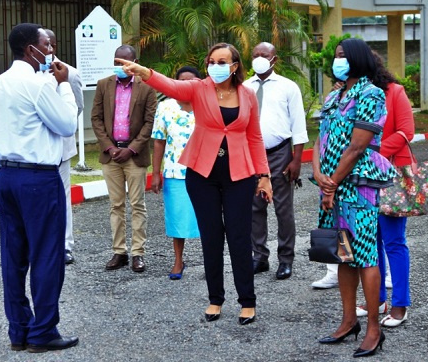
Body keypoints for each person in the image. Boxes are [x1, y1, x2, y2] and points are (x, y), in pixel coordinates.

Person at [116, 42, 273, 326]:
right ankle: (215, 299)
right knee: (211, 237)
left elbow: (255, 137)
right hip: (202, 174)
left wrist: (264, 176)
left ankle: (247, 302)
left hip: (239, 175)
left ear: (235, 65)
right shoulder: (199, 88)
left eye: (222, 61)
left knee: (239, 238)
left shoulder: (248, 95)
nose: (216, 66)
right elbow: (171, 85)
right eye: (211, 61)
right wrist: (143, 71)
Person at [0, 23, 79, 353]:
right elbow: (67, 124)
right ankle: (43, 331)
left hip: (6, 177)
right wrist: (62, 86)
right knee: (46, 255)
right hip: (38, 178)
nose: (50, 51)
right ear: (29, 50)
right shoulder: (38, 84)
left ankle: (18, 330)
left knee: (13, 257)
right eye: (45, 46)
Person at [313, 38, 397, 358]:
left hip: (357, 184)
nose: (339, 60)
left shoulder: (371, 94)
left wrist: (332, 182)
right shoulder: (334, 95)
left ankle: (374, 328)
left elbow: (358, 145)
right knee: (342, 254)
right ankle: (349, 321)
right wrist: (319, 173)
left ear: (358, 59)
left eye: (344, 56)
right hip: (331, 184)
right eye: (336, 56)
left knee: (365, 256)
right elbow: (320, 138)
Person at [356, 51, 415, 328]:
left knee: (393, 241)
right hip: (362, 179)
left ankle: (401, 304)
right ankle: (376, 300)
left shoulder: (395, 92)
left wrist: (374, 153)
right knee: (370, 241)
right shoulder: (352, 93)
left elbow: (406, 131)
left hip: (390, 174)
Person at [243, 42, 308, 280]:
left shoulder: (288, 87)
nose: (259, 58)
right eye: (256, 54)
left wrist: (296, 160)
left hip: (280, 153)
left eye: (265, 55)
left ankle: (286, 259)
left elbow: (298, 125)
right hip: (251, 154)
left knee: (283, 208)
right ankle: (259, 257)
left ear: (274, 59)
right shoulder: (244, 87)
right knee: (254, 207)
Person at [91, 45, 158, 273]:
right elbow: (96, 119)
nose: (120, 67)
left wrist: (131, 149)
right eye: (117, 62)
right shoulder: (103, 85)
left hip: (134, 156)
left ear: (135, 61)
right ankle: (119, 251)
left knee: (137, 205)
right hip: (111, 155)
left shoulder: (147, 87)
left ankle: (138, 253)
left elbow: (150, 122)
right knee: (116, 205)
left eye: (125, 62)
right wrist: (109, 147)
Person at [151, 66, 202, 280]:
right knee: (176, 219)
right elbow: (159, 141)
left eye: (192, 81)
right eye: (182, 81)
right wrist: (155, 173)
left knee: (208, 220)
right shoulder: (165, 106)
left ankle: (211, 260)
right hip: (174, 171)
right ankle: (178, 261)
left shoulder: (208, 103)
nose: (187, 85)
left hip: (204, 171)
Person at [44, 28, 84, 265]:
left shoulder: (71, 73)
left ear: (55, 46)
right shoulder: (27, 73)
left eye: (50, 44)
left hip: (61, 146)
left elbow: (77, 108)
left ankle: (65, 245)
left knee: (62, 197)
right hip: (34, 149)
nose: (46, 49)